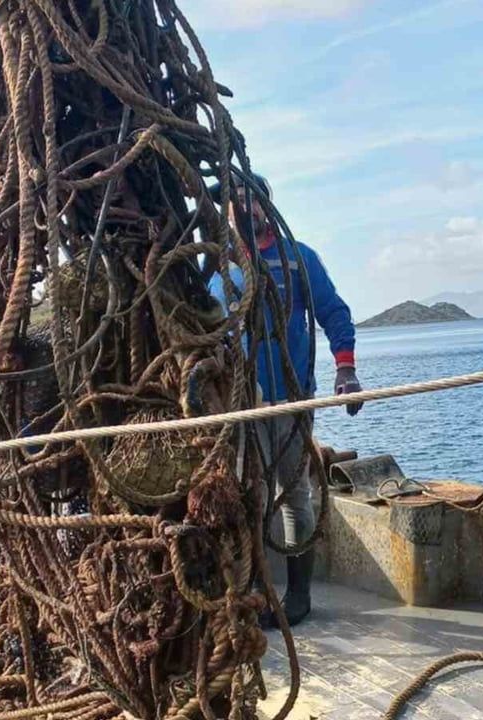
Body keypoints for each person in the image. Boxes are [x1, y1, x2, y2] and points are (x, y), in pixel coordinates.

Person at [209, 171, 362, 628]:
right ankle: (257, 590)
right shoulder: (217, 269)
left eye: (250, 198)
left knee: (294, 493)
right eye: (233, 200)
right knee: (246, 495)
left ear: (266, 204)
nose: (242, 206)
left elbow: (334, 312)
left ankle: (298, 596)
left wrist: (346, 369)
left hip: (292, 399)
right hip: (240, 405)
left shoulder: (299, 260)